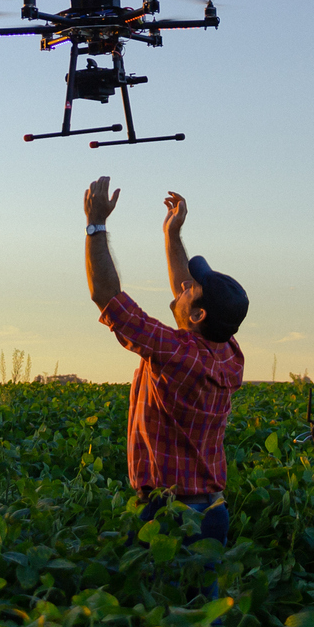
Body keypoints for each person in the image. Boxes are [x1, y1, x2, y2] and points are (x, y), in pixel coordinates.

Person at [82, 176, 248, 547]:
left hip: (172, 516)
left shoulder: (179, 353)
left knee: (155, 603)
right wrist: (172, 235)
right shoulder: (228, 352)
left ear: (200, 315)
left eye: (193, 287)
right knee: (202, 605)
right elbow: (183, 293)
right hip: (210, 511)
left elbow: (107, 297)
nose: (185, 285)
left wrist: (96, 225)